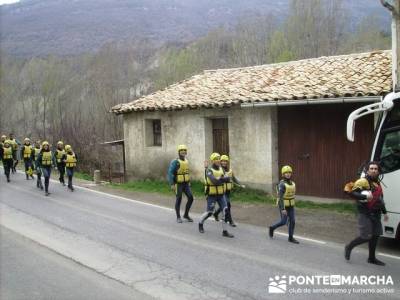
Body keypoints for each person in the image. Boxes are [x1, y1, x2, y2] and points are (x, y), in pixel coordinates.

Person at [344, 161, 389, 266]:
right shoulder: (362, 181)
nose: (373, 170)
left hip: (376, 213)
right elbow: (352, 193)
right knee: (365, 236)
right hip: (365, 213)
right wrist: (364, 196)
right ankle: (349, 246)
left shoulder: (377, 183)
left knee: (376, 235)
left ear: (378, 171)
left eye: (375, 169)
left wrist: (385, 212)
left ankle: (371, 258)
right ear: (367, 170)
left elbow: (380, 199)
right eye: (371, 168)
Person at [199, 152, 234, 238]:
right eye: (216, 159)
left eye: (219, 159)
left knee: (225, 211)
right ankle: (200, 223)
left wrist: (222, 179)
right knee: (209, 213)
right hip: (212, 195)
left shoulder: (221, 169)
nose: (218, 161)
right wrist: (223, 179)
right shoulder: (209, 170)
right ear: (212, 161)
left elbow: (228, 179)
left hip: (221, 195)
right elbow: (214, 181)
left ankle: (225, 231)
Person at [269, 165, 299, 244]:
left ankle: (290, 238)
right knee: (283, 221)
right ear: (283, 174)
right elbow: (281, 197)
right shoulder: (282, 184)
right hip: (284, 205)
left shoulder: (293, 183)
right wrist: (283, 209)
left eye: (289, 172)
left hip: (291, 205)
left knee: (293, 221)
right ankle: (272, 228)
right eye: (286, 173)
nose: (288, 174)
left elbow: (292, 194)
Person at [213, 154, 245, 227]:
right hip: (222, 190)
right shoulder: (219, 170)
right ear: (220, 162)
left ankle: (216, 213)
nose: (224, 162)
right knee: (228, 205)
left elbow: (234, 179)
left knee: (224, 205)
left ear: (227, 162)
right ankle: (230, 221)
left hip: (228, 191)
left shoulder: (230, 170)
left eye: (225, 161)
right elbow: (216, 179)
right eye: (222, 161)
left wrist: (240, 184)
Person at [167, 144, 194, 223]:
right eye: (181, 150)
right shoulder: (175, 162)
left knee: (191, 198)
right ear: (179, 152)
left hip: (185, 184)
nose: (183, 152)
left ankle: (186, 214)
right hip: (178, 184)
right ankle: (178, 217)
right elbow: (170, 173)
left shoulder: (186, 161)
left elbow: (187, 172)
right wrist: (172, 184)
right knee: (179, 199)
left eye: (184, 150)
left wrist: (189, 182)